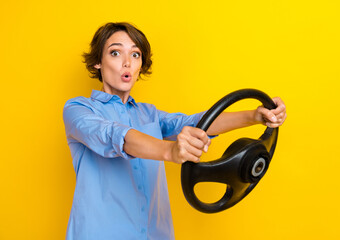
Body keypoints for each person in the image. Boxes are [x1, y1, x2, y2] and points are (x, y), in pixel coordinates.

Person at [63, 22, 287, 240]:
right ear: (97, 63)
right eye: (115, 53)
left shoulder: (149, 114)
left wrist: (255, 116)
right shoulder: (78, 109)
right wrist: (171, 151)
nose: (126, 63)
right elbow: (114, 135)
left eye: (135, 55)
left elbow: (197, 123)